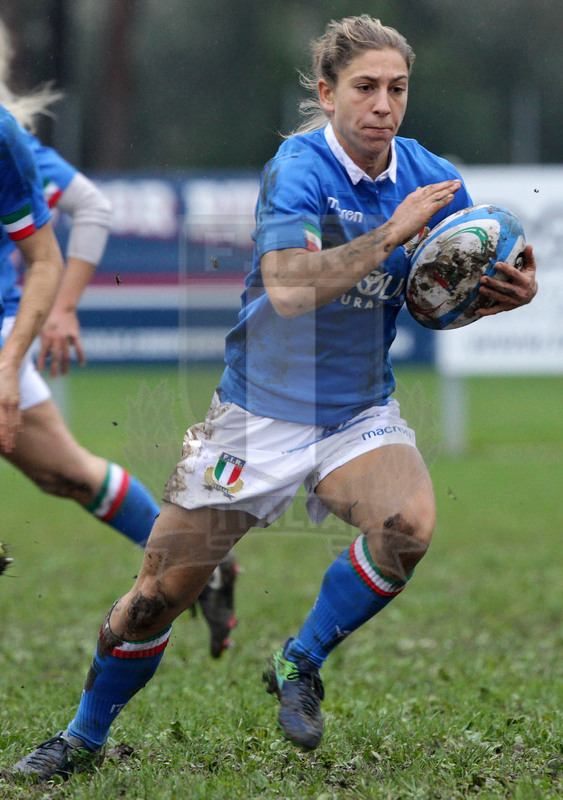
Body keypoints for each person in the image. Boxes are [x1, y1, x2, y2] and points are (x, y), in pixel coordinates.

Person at [12, 15, 537, 780]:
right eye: (365, 87)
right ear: (327, 93)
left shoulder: (431, 177)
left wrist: (504, 292)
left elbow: (452, 281)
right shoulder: (298, 169)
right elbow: (289, 290)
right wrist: (389, 235)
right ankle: (82, 738)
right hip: (255, 416)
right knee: (158, 595)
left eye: (397, 88)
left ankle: (300, 661)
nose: (383, 105)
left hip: (356, 413)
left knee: (407, 527)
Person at [0, 19, 238, 658]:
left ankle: (196, 561)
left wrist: (62, 308)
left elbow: (93, 208)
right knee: (67, 476)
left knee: (70, 474)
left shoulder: (8, 142)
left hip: (2, 332)